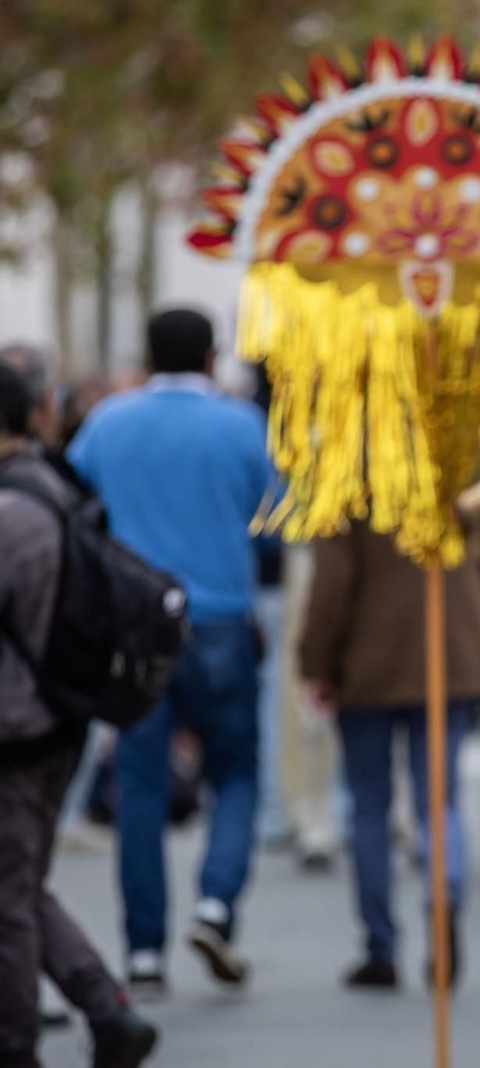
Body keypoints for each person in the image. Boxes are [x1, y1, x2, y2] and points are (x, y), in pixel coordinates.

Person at [66, 308, 273, 997]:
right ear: (213, 357)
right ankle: (216, 902)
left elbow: (77, 512)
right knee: (236, 772)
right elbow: (276, 522)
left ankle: (145, 952)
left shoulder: (108, 423)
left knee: (141, 788)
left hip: (134, 627)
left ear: (147, 354)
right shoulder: (241, 425)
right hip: (219, 620)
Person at [0, 361, 159, 1068]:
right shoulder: (57, 490)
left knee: (9, 892)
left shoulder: (12, 512)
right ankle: (106, 1008)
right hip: (58, 716)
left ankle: (18, 1040)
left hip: (16, 726)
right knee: (20, 881)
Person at [299, 522, 480, 989]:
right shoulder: (464, 452)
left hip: (367, 654)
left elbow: (332, 575)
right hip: (451, 647)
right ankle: (445, 899)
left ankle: (380, 946)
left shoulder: (349, 467)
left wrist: (315, 662)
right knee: (440, 798)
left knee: (369, 805)